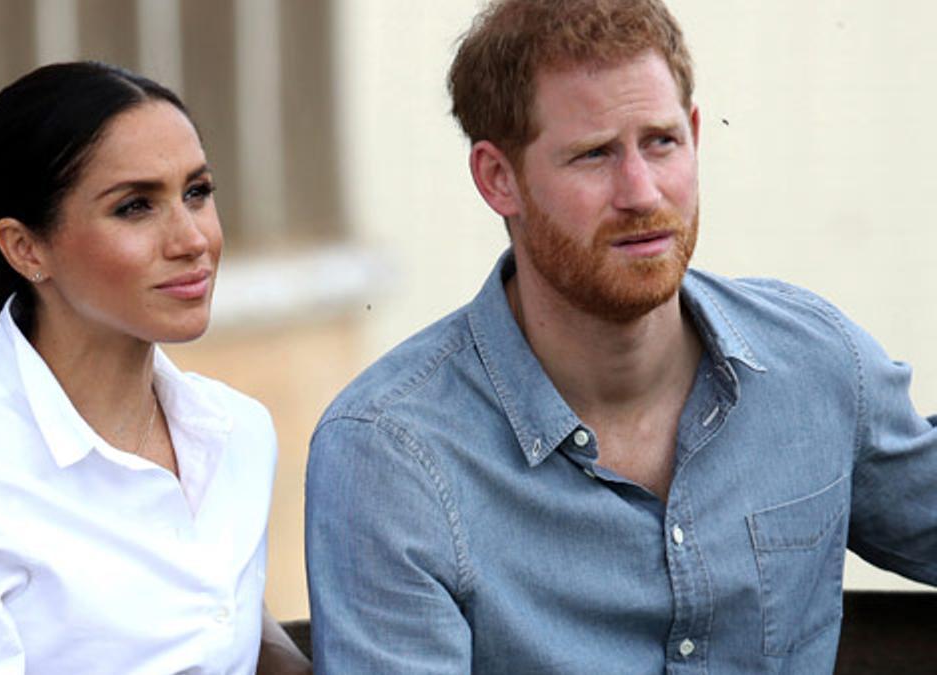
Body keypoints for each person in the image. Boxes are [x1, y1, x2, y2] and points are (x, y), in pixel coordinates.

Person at [305, 1, 937, 672]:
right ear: (498, 178)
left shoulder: (818, 365)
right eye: (594, 155)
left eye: (661, 142)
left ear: (696, 133)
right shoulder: (391, 456)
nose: (641, 191)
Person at [0, 62, 310, 674]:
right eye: (135, 206)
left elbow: (228, 637)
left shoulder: (237, 432)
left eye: (197, 192)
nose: (191, 239)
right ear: (25, 248)